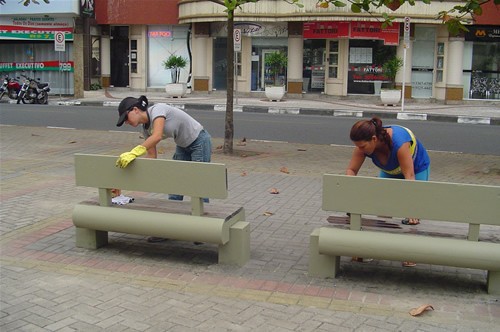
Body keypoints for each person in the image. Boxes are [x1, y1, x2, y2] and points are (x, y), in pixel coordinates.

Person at [115, 95, 212, 242]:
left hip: (199, 141)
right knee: (174, 186)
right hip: (183, 145)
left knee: (198, 186)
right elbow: (152, 156)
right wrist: (136, 171)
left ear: (135, 110)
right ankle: (168, 229)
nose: (126, 122)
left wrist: (134, 152)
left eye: (126, 118)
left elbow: (158, 136)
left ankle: (203, 231)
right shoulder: (146, 130)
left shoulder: (157, 110)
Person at [346, 117, 431, 266]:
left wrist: (412, 209)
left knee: (413, 215)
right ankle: (380, 249)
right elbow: (351, 170)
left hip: (415, 169)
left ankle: (410, 253)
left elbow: (409, 176)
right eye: (357, 146)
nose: (359, 150)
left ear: (374, 139)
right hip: (390, 170)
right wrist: (350, 195)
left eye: (362, 147)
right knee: (384, 209)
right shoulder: (363, 144)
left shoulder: (399, 143)